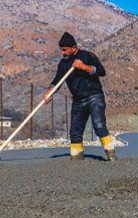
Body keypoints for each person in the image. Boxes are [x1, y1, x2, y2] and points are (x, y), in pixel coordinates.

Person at [43, 32, 116, 161]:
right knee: (75, 132)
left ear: (74, 48)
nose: (63, 52)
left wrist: (83, 67)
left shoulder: (87, 56)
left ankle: (111, 154)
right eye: (61, 49)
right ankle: (76, 158)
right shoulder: (63, 64)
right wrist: (49, 92)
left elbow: (101, 71)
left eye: (65, 50)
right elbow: (57, 81)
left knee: (99, 125)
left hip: (95, 97)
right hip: (78, 101)